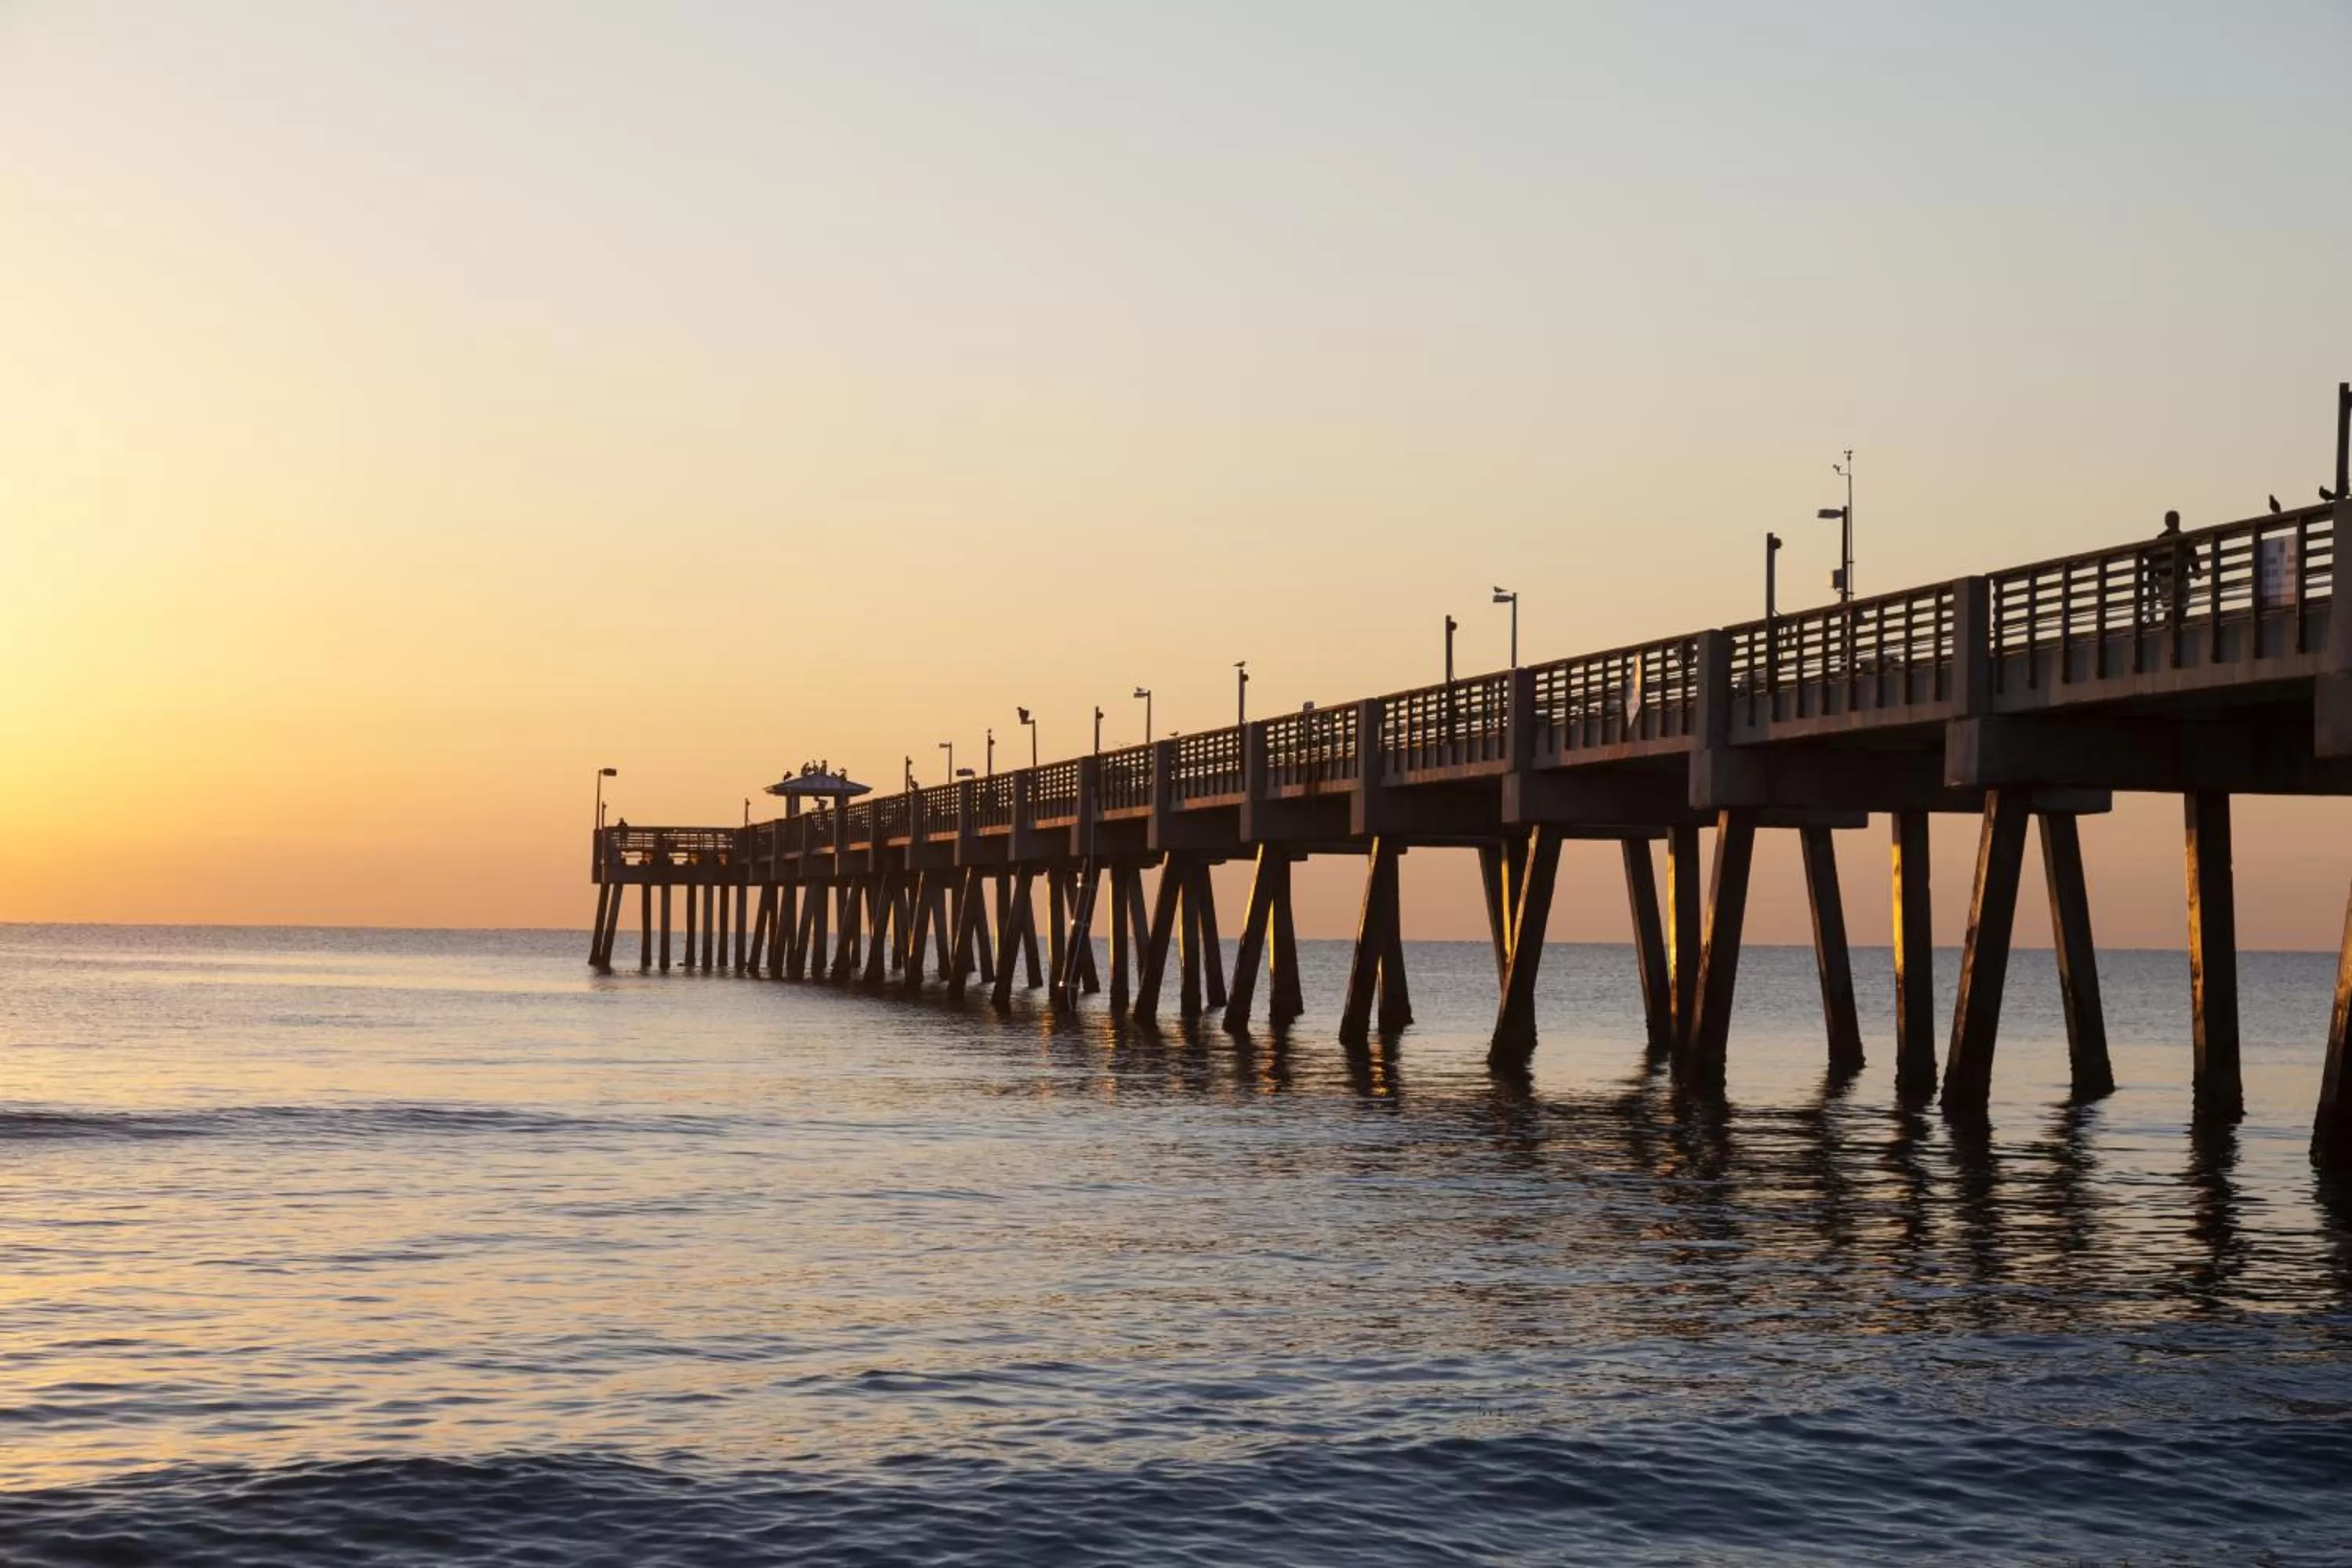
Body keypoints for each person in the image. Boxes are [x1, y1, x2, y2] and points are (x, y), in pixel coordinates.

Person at [2143, 510, 2200, 619]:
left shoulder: (2160, 540)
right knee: (2180, 606)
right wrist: (2197, 570)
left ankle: (2170, 623)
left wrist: (2151, 578)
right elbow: (2193, 558)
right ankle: (2174, 623)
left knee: (2171, 606)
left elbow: (2151, 559)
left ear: (2166, 523)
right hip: (2179, 580)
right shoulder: (2185, 539)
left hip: (2166, 581)